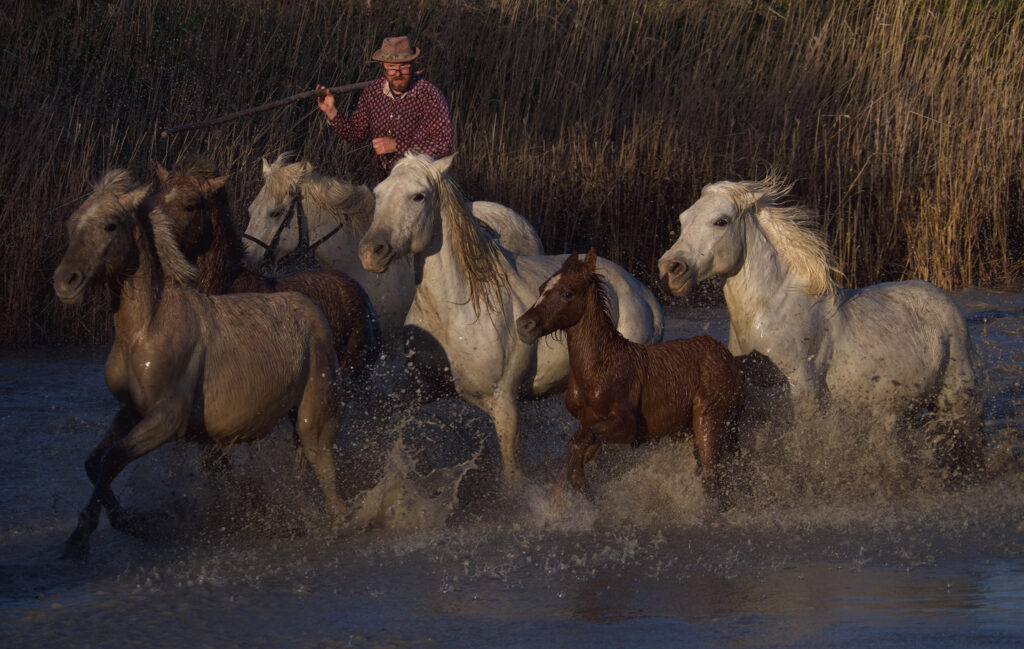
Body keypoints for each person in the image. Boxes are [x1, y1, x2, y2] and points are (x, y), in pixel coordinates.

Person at [316, 35, 453, 182]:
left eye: (403, 67)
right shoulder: (373, 92)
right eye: (392, 68)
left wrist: (397, 145)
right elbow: (356, 134)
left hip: (417, 183)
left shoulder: (429, 95)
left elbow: (444, 145)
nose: (397, 74)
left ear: (412, 65)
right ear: (383, 66)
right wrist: (331, 111)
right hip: (381, 181)